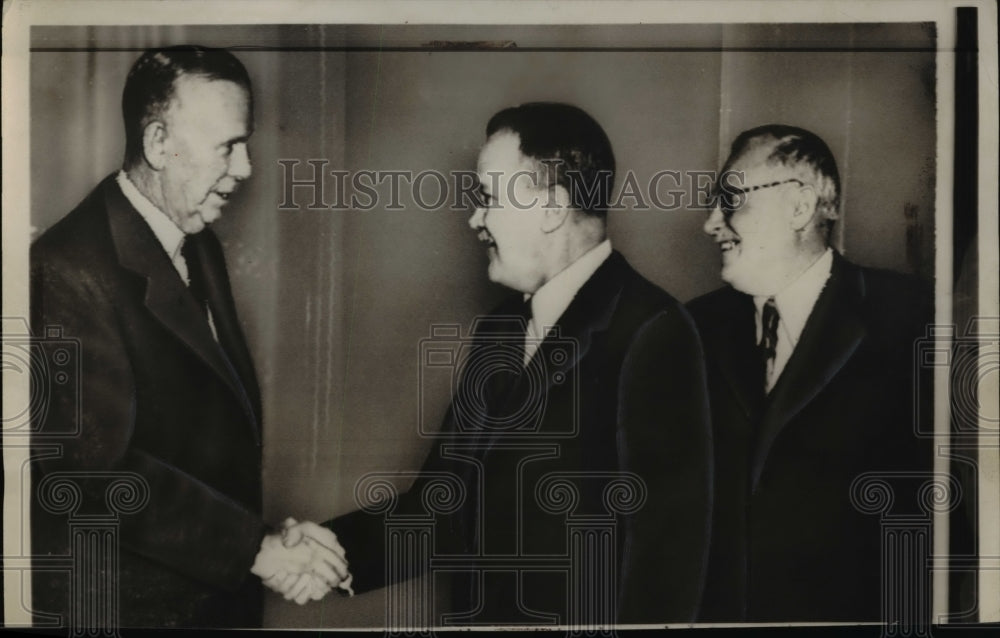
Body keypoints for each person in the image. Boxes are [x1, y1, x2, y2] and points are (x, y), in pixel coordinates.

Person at [276, 102, 713, 625]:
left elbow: (669, 558)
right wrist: (330, 554)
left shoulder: (655, 329)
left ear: (551, 207)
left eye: (487, 198)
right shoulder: (499, 331)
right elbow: (444, 502)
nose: (475, 219)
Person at [30, 45, 346, 628]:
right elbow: (91, 474)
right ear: (157, 145)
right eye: (228, 146)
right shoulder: (66, 266)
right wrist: (257, 548)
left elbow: (201, 444)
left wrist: (266, 539)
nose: (246, 168)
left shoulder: (195, 240)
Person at [687, 124, 932, 622]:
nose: (711, 223)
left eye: (730, 201)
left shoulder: (911, 318)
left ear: (799, 208)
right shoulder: (692, 327)